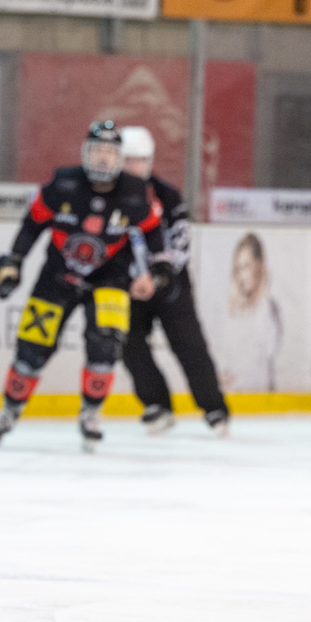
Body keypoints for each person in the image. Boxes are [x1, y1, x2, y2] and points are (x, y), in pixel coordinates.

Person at [0, 120, 170, 451]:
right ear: (85, 154)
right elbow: (33, 223)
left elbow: (154, 229)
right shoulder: (62, 184)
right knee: (32, 346)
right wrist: (14, 261)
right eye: (96, 152)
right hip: (58, 276)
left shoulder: (135, 192)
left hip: (110, 279)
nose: (103, 159)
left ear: (120, 158)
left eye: (110, 153)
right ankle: (9, 411)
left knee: (105, 345)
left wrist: (158, 270)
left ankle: (91, 415)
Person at [117, 126, 230, 436]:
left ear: (150, 161)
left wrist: (158, 275)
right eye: (127, 160)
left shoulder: (166, 195)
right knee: (128, 343)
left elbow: (180, 241)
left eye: (140, 160)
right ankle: (156, 404)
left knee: (189, 344)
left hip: (169, 284)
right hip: (128, 285)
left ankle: (214, 408)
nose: (134, 167)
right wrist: (123, 277)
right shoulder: (105, 197)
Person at [220, 231, 282, 392]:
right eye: (238, 268)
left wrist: (263, 298)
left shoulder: (268, 307)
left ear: (258, 266)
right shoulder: (231, 310)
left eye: (246, 266)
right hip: (233, 395)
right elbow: (225, 357)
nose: (242, 275)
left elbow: (271, 349)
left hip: (261, 397)